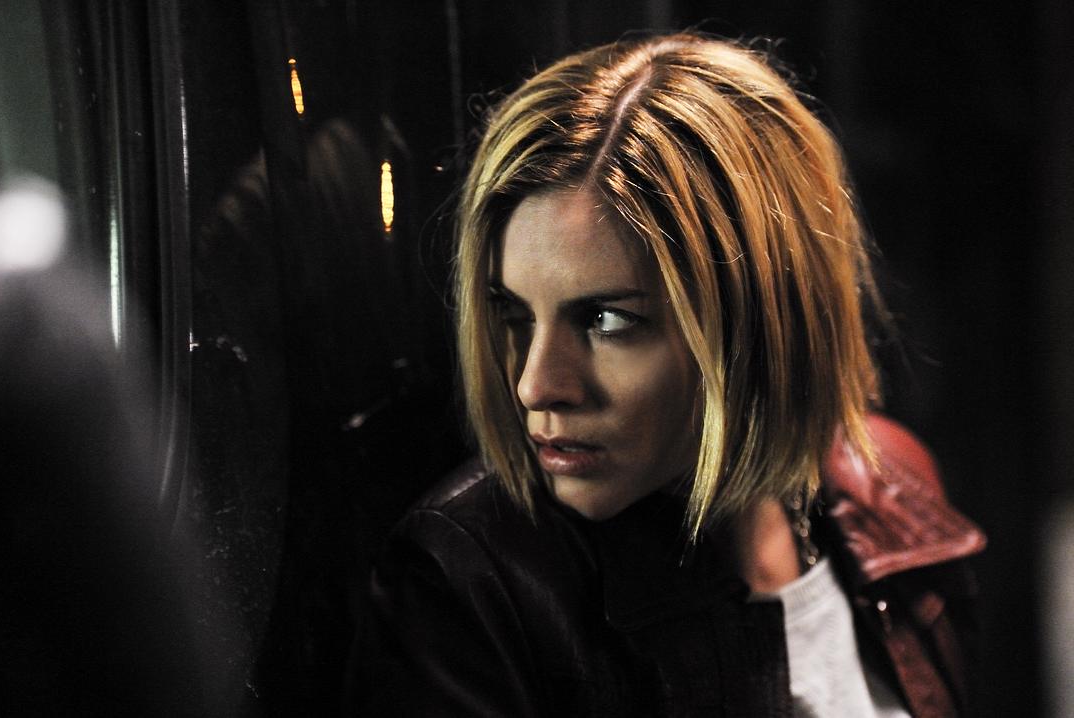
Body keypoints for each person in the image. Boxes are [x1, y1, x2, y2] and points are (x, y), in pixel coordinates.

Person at [351, 33, 986, 716]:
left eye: (607, 320)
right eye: (514, 315)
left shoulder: (889, 484)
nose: (536, 386)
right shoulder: (473, 581)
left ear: (757, 320)